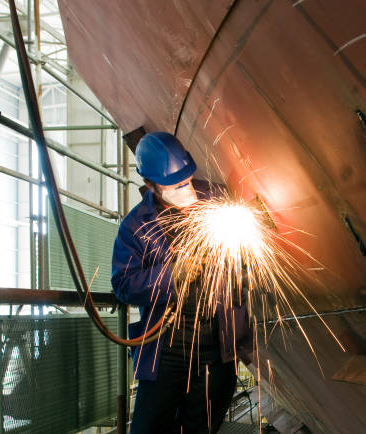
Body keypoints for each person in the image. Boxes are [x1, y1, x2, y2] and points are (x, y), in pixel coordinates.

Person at [111, 132, 251, 433]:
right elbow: (123, 284)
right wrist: (171, 274)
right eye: (177, 186)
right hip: (167, 349)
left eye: (188, 180)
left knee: (202, 427)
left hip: (217, 344)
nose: (187, 190)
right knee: (148, 428)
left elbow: (248, 257)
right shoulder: (136, 226)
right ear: (152, 185)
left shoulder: (216, 200)